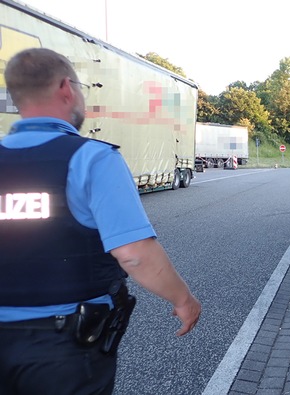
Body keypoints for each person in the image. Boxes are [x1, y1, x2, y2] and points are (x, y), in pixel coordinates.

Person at [0, 48, 201, 394]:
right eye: (81, 88)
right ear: (66, 88)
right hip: (65, 351)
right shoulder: (92, 159)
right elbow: (134, 253)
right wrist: (183, 299)